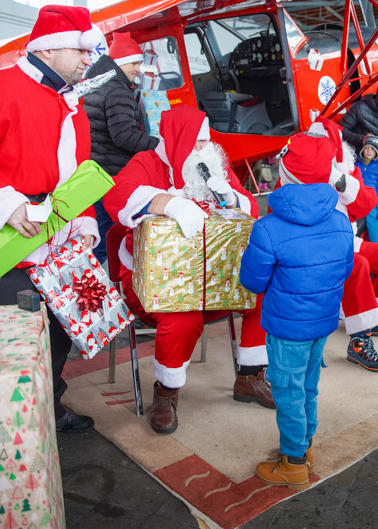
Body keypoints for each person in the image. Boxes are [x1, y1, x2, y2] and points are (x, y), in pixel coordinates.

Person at [0, 4, 106, 433]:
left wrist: (84, 222)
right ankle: (11, 427)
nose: (89, 60)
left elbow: (77, 177)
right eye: (80, 51)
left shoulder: (71, 103)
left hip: (60, 242)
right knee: (11, 337)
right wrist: (6, 204)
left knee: (62, 331)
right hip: (4, 241)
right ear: (47, 51)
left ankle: (48, 406)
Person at [103, 105, 273, 434]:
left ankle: (250, 376)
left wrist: (235, 198)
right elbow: (116, 196)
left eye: (207, 141)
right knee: (183, 316)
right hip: (151, 279)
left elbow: (250, 208)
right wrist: (168, 203)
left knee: (262, 293)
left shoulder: (214, 164)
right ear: (177, 140)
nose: (204, 149)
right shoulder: (148, 162)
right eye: (197, 142)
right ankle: (166, 391)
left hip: (215, 275)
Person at [240, 131, 354, 491]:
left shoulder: (268, 227)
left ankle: (292, 463)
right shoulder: (340, 221)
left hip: (287, 328)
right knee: (308, 387)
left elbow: (253, 283)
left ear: (284, 174)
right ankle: (305, 446)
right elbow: (346, 269)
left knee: (287, 392)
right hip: (322, 323)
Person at [309, 117, 378, 371]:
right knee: (359, 265)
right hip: (319, 247)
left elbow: (366, 203)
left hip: (347, 239)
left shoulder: (347, 169)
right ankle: (359, 341)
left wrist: (341, 181)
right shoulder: (300, 172)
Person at [83, 32, 158, 264]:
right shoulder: (118, 89)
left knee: (93, 231)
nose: (138, 69)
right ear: (122, 62)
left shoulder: (97, 81)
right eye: (135, 63)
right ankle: (84, 287)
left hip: (95, 167)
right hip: (110, 171)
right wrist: (158, 145)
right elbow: (124, 135)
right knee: (104, 237)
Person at [340, 78, 378, 162]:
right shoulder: (359, 107)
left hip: (376, 166)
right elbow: (341, 129)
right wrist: (361, 139)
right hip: (355, 161)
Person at [355, 135, 378, 244]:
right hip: (356, 204)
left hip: (373, 205)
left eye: (372, 148)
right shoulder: (355, 165)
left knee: (377, 234)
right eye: (366, 148)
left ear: (377, 151)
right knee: (353, 231)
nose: (368, 151)